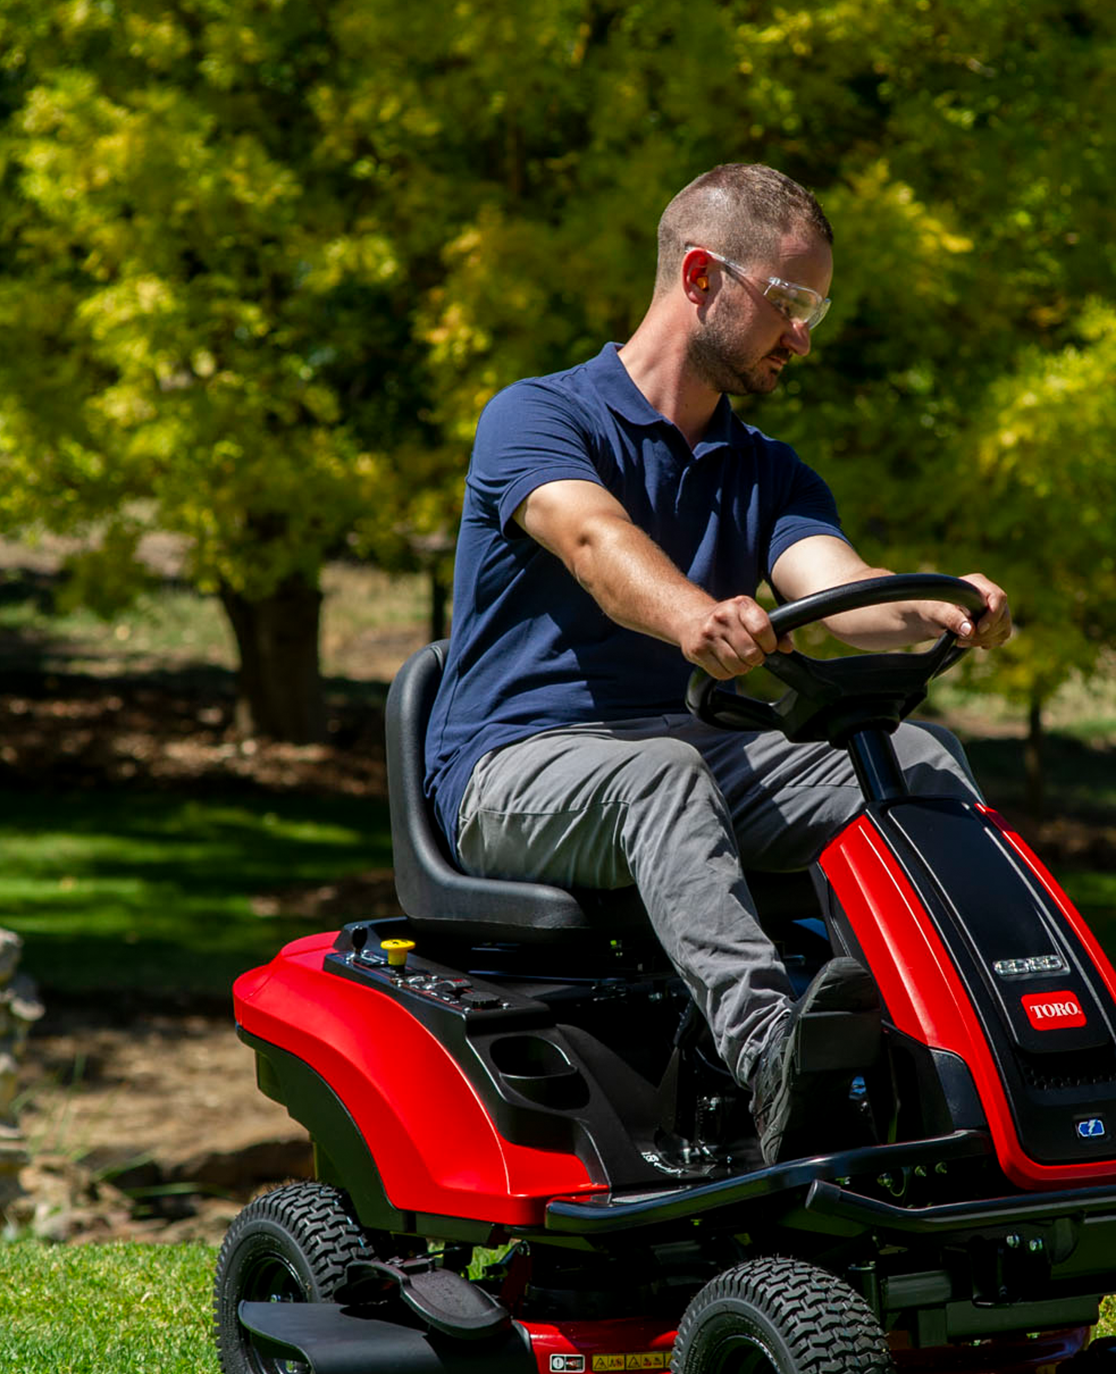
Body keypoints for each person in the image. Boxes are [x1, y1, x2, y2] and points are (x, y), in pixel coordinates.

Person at [424, 163, 1012, 1161]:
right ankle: (776, 1060)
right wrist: (694, 614)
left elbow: (842, 587)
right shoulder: (537, 415)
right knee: (664, 775)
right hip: (513, 770)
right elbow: (596, 547)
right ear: (701, 276)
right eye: (789, 303)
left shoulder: (765, 468)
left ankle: (986, 1031)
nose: (804, 337)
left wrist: (940, 604)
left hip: (688, 757)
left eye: (815, 309)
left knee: (913, 759)